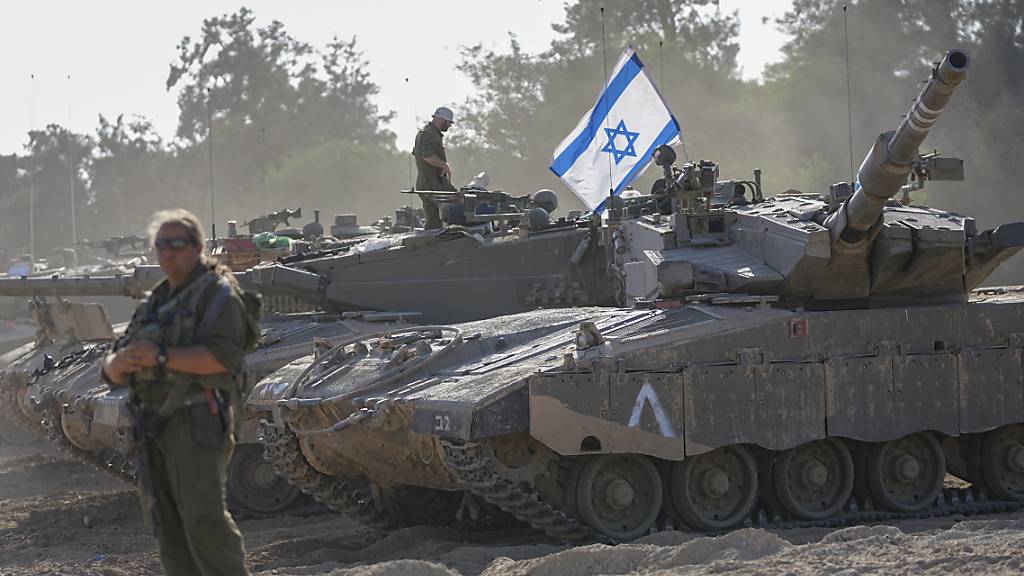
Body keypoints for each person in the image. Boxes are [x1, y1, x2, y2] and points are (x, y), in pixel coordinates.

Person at [101, 208, 259, 576]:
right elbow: (112, 366)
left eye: (177, 244)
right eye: (161, 245)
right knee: (167, 525)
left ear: (198, 247)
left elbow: (222, 358)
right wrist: (116, 364)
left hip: (196, 417)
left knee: (203, 520)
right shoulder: (155, 301)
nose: (167, 252)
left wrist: (159, 357)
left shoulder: (217, 295)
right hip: (151, 422)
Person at [413, 106, 458, 229]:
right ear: (440, 120)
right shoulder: (431, 134)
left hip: (425, 183)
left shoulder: (423, 133)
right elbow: (427, 157)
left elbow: (418, 154)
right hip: (433, 183)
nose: (450, 125)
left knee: (433, 221)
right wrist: (444, 165)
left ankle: (431, 239)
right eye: (448, 122)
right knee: (458, 204)